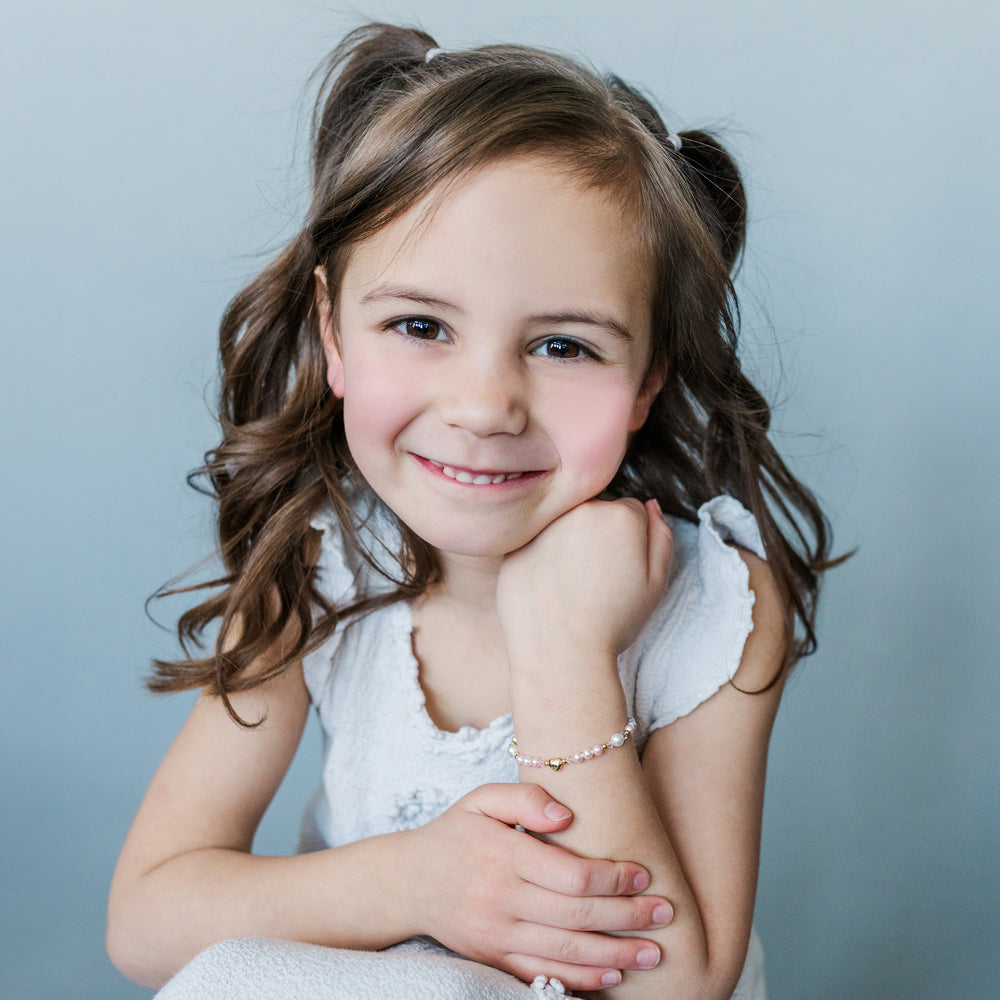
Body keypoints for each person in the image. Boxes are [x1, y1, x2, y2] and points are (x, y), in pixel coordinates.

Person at [107, 22, 835, 1000]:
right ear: (332, 330)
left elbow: (671, 989)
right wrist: (420, 880)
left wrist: (567, 652)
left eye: (565, 346)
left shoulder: (720, 608)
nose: (485, 406)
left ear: (650, 371)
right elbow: (147, 920)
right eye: (420, 325)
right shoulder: (318, 566)